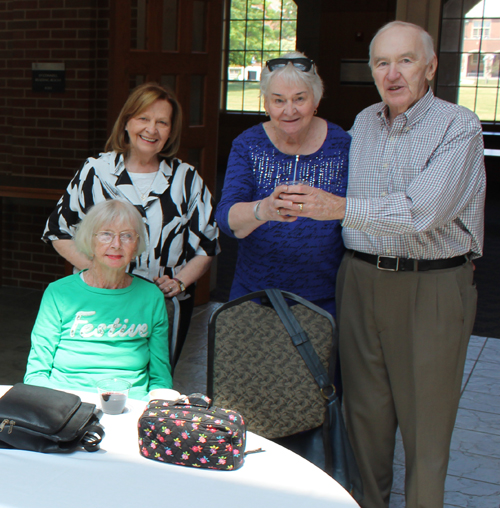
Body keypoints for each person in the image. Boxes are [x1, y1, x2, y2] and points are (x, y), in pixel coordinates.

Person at [280, 21, 486, 508]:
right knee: (364, 424)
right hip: (360, 280)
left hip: (430, 287)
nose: (392, 74)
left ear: (431, 67)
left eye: (406, 61)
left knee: (425, 435)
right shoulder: (367, 122)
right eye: (381, 63)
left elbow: (420, 212)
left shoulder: (459, 126)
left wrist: (338, 207)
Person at [43, 82, 219, 365]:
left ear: (171, 131)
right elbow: (57, 231)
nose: (152, 129)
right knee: (94, 374)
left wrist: (180, 281)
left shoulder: (187, 180)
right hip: (99, 299)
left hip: (161, 304)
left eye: (162, 122)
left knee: (155, 383)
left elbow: (207, 246)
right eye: (143, 118)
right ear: (126, 122)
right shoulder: (95, 172)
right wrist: (96, 269)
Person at [215, 51, 350, 320]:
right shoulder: (248, 144)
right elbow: (226, 219)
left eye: (299, 98)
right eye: (279, 100)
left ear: (316, 99)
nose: (289, 110)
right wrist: (263, 210)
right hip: (253, 298)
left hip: (323, 301)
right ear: (265, 103)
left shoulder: (342, 145)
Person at [25, 200, 173, 400]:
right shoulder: (58, 293)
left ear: (136, 244)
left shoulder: (150, 296)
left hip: (128, 405)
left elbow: (160, 378)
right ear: (90, 241)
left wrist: (150, 405)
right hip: (65, 404)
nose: (116, 244)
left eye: (127, 235)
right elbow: (36, 375)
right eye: (106, 234)